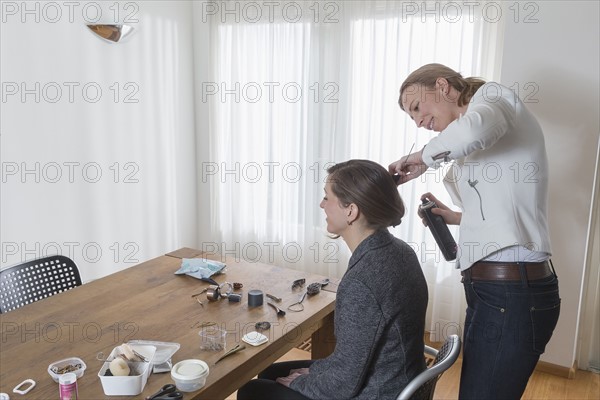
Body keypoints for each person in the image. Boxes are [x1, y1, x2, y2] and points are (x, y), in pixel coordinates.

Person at [389, 63, 561, 399]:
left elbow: (471, 132)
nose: (419, 121)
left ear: (442, 86)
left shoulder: (494, 98)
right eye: (412, 119)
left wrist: (423, 157)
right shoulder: (476, 140)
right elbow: (499, 214)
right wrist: (452, 216)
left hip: (512, 291)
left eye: (417, 108)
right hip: (493, 291)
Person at [237, 159, 428, 400]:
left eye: (327, 197)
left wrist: (303, 382)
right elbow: (352, 358)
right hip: (397, 381)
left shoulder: (362, 281)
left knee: (251, 391)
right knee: (270, 372)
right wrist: (314, 373)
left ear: (351, 210)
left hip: (377, 392)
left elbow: (341, 385)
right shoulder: (400, 251)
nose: (321, 204)